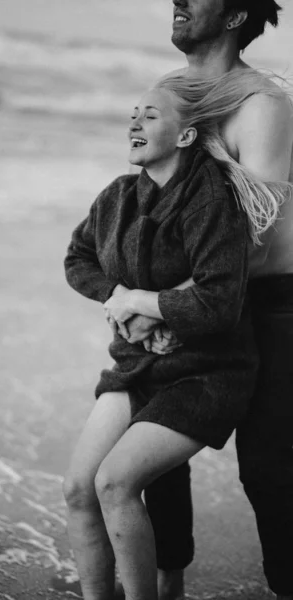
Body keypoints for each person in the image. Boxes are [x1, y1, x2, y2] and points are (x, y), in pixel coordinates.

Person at [63, 70, 288, 600]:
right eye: (132, 114)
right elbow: (77, 258)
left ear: (185, 136)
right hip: (139, 365)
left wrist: (147, 305)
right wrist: (115, 295)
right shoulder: (117, 196)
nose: (135, 121)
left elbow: (219, 301)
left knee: (115, 483)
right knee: (78, 489)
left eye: (151, 114)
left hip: (207, 374)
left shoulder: (213, 201)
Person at [115, 1, 293, 599]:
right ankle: (170, 586)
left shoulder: (262, 105)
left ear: (238, 13)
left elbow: (261, 236)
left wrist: (165, 300)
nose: (179, 2)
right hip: (194, 295)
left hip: (273, 305)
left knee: (269, 469)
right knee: (154, 448)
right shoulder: (168, 93)